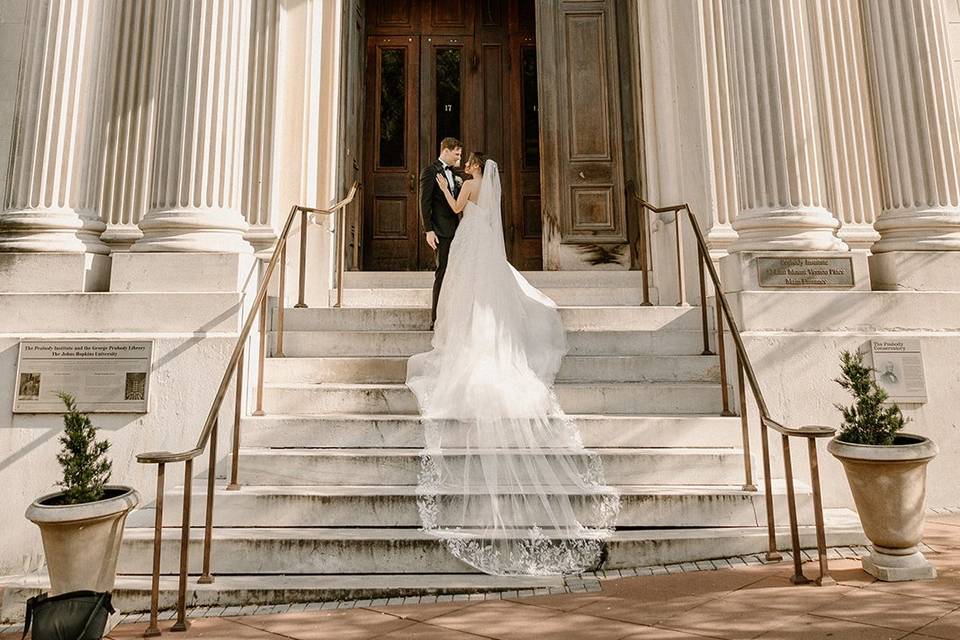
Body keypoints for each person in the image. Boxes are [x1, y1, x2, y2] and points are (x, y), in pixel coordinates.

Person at [406, 152, 620, 576]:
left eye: (468, 164)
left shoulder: (466, 186)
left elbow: (453, 207)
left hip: (468, 244)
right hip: (485, 248)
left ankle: (460, 335)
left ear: (474, 170)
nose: (465, 166)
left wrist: (451, 191)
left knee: (462, 295)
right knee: (489, 295)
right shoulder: (490, 190)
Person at [419, 137, 463, 329]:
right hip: (441, 231)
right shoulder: (430, 171)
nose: (458, 157)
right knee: (442, 272)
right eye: (456, 154)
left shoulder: (454, 174)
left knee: (455, 274)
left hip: (457, 231)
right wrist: (428, 230)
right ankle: (435, 319)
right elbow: (424, 202)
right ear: (445, 151)